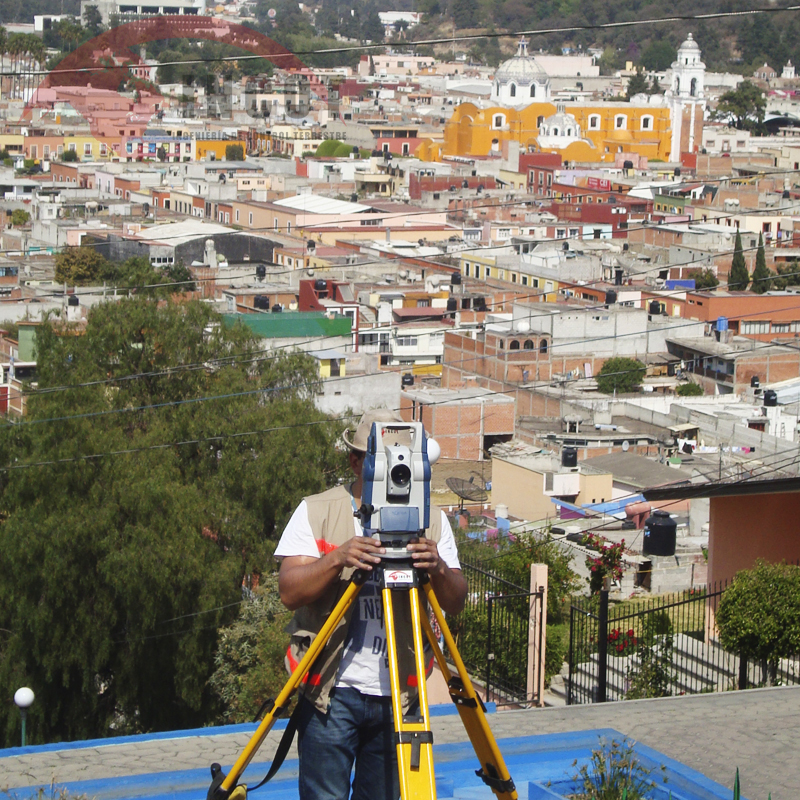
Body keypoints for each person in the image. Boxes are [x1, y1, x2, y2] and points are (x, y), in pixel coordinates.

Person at [274, 409, 467, 800]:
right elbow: (289, 591)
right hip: (330, 692)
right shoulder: (317, 510)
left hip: (401, 696)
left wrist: (439, 569)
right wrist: (336, 558)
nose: (390, 468)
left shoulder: (430, 521)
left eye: (398, 458)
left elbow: (457, 600)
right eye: (377, 457)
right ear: (354, 460)